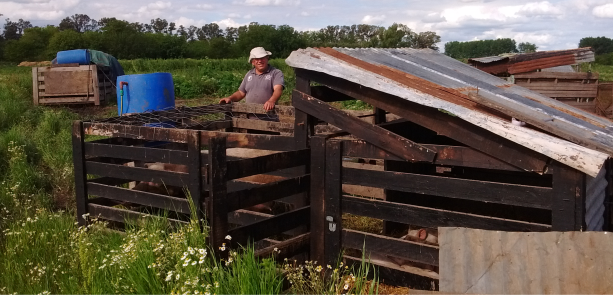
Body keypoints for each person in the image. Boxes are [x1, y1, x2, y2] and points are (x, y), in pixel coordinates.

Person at [219, 47, 285, 119]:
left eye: (262, 58)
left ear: (267, 58)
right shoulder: (249, 74)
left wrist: (271, 101)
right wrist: (230, 98)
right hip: (250, 120)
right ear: (253, 62)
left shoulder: (275, 73)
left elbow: (278, 89)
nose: (259, 61)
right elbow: (241, 93)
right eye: (257, 59)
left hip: (269, 118)